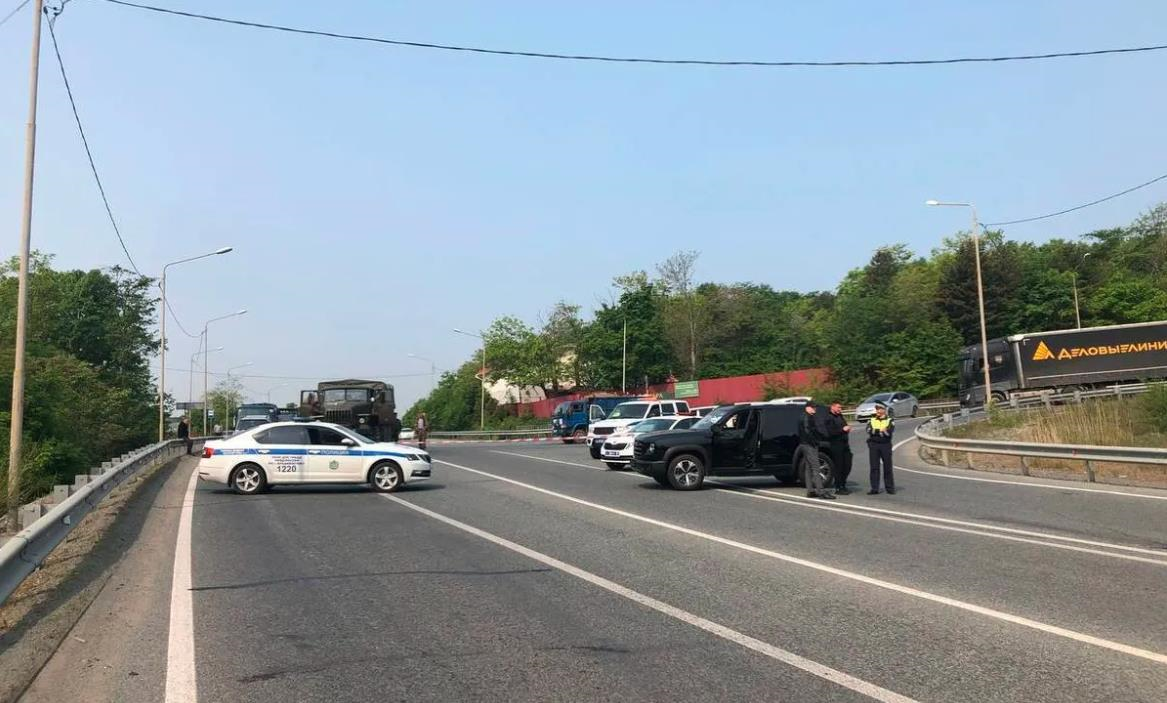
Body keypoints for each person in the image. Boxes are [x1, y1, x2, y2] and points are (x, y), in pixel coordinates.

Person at [798, 403, 835, 500]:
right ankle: (821, 491)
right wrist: (815, 442)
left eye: (815, 407)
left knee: (808, 467)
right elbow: (808, 431)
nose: (815, 409)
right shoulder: (807, 417)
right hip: (809, 445)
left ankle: (810, 490)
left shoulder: (805, 416)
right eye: (813, 407)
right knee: (816, 467)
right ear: (807, 408)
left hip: (805, 444)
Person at [823, 401, 853, 495]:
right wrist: (842, 430)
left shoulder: (840, 416)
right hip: (836, 445)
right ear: (833, 407)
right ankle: (838, 486)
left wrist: (847, 429)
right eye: (838, 407)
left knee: (847, 465)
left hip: (845, 444)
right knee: (839, 466)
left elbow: (844, 426)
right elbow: (830, 433)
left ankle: (843, 484)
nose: (840, 409)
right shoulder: (829, 418)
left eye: (841, 408)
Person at [867, 402, 896, 495]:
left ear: (884, 410)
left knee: (887, 467)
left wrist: (877, 431)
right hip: (874, 445)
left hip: (885, 445)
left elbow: (889, 432)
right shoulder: (871, 420)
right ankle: (874, 488)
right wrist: (880, 431)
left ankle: (890, 488)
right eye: (877, 409)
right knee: (874, 467)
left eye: (879, 409)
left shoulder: (890, 420)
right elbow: (869, 430)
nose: (878, 411)